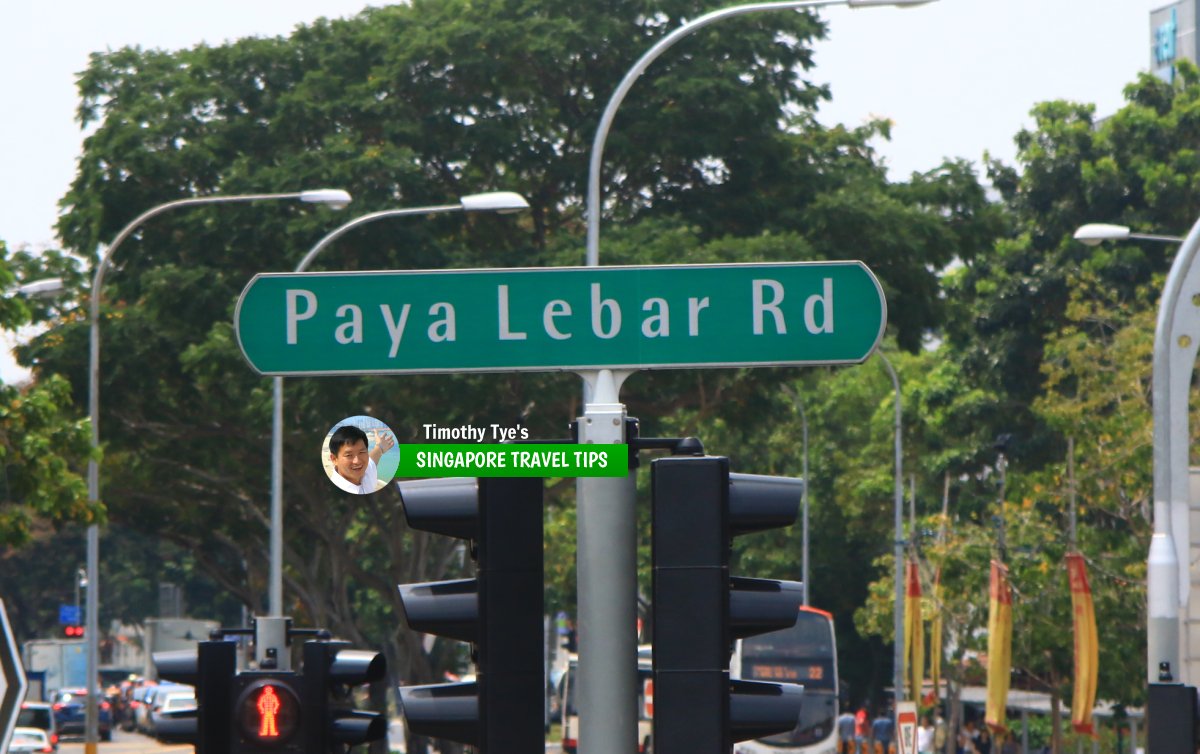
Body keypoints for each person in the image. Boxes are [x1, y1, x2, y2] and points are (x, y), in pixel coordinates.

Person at [327, 425, 395, 494]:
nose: (357, 461)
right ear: (334, 459)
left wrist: (380, 447)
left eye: (361, 452)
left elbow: (373, 458)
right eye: (349, 455)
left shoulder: (366, 471)